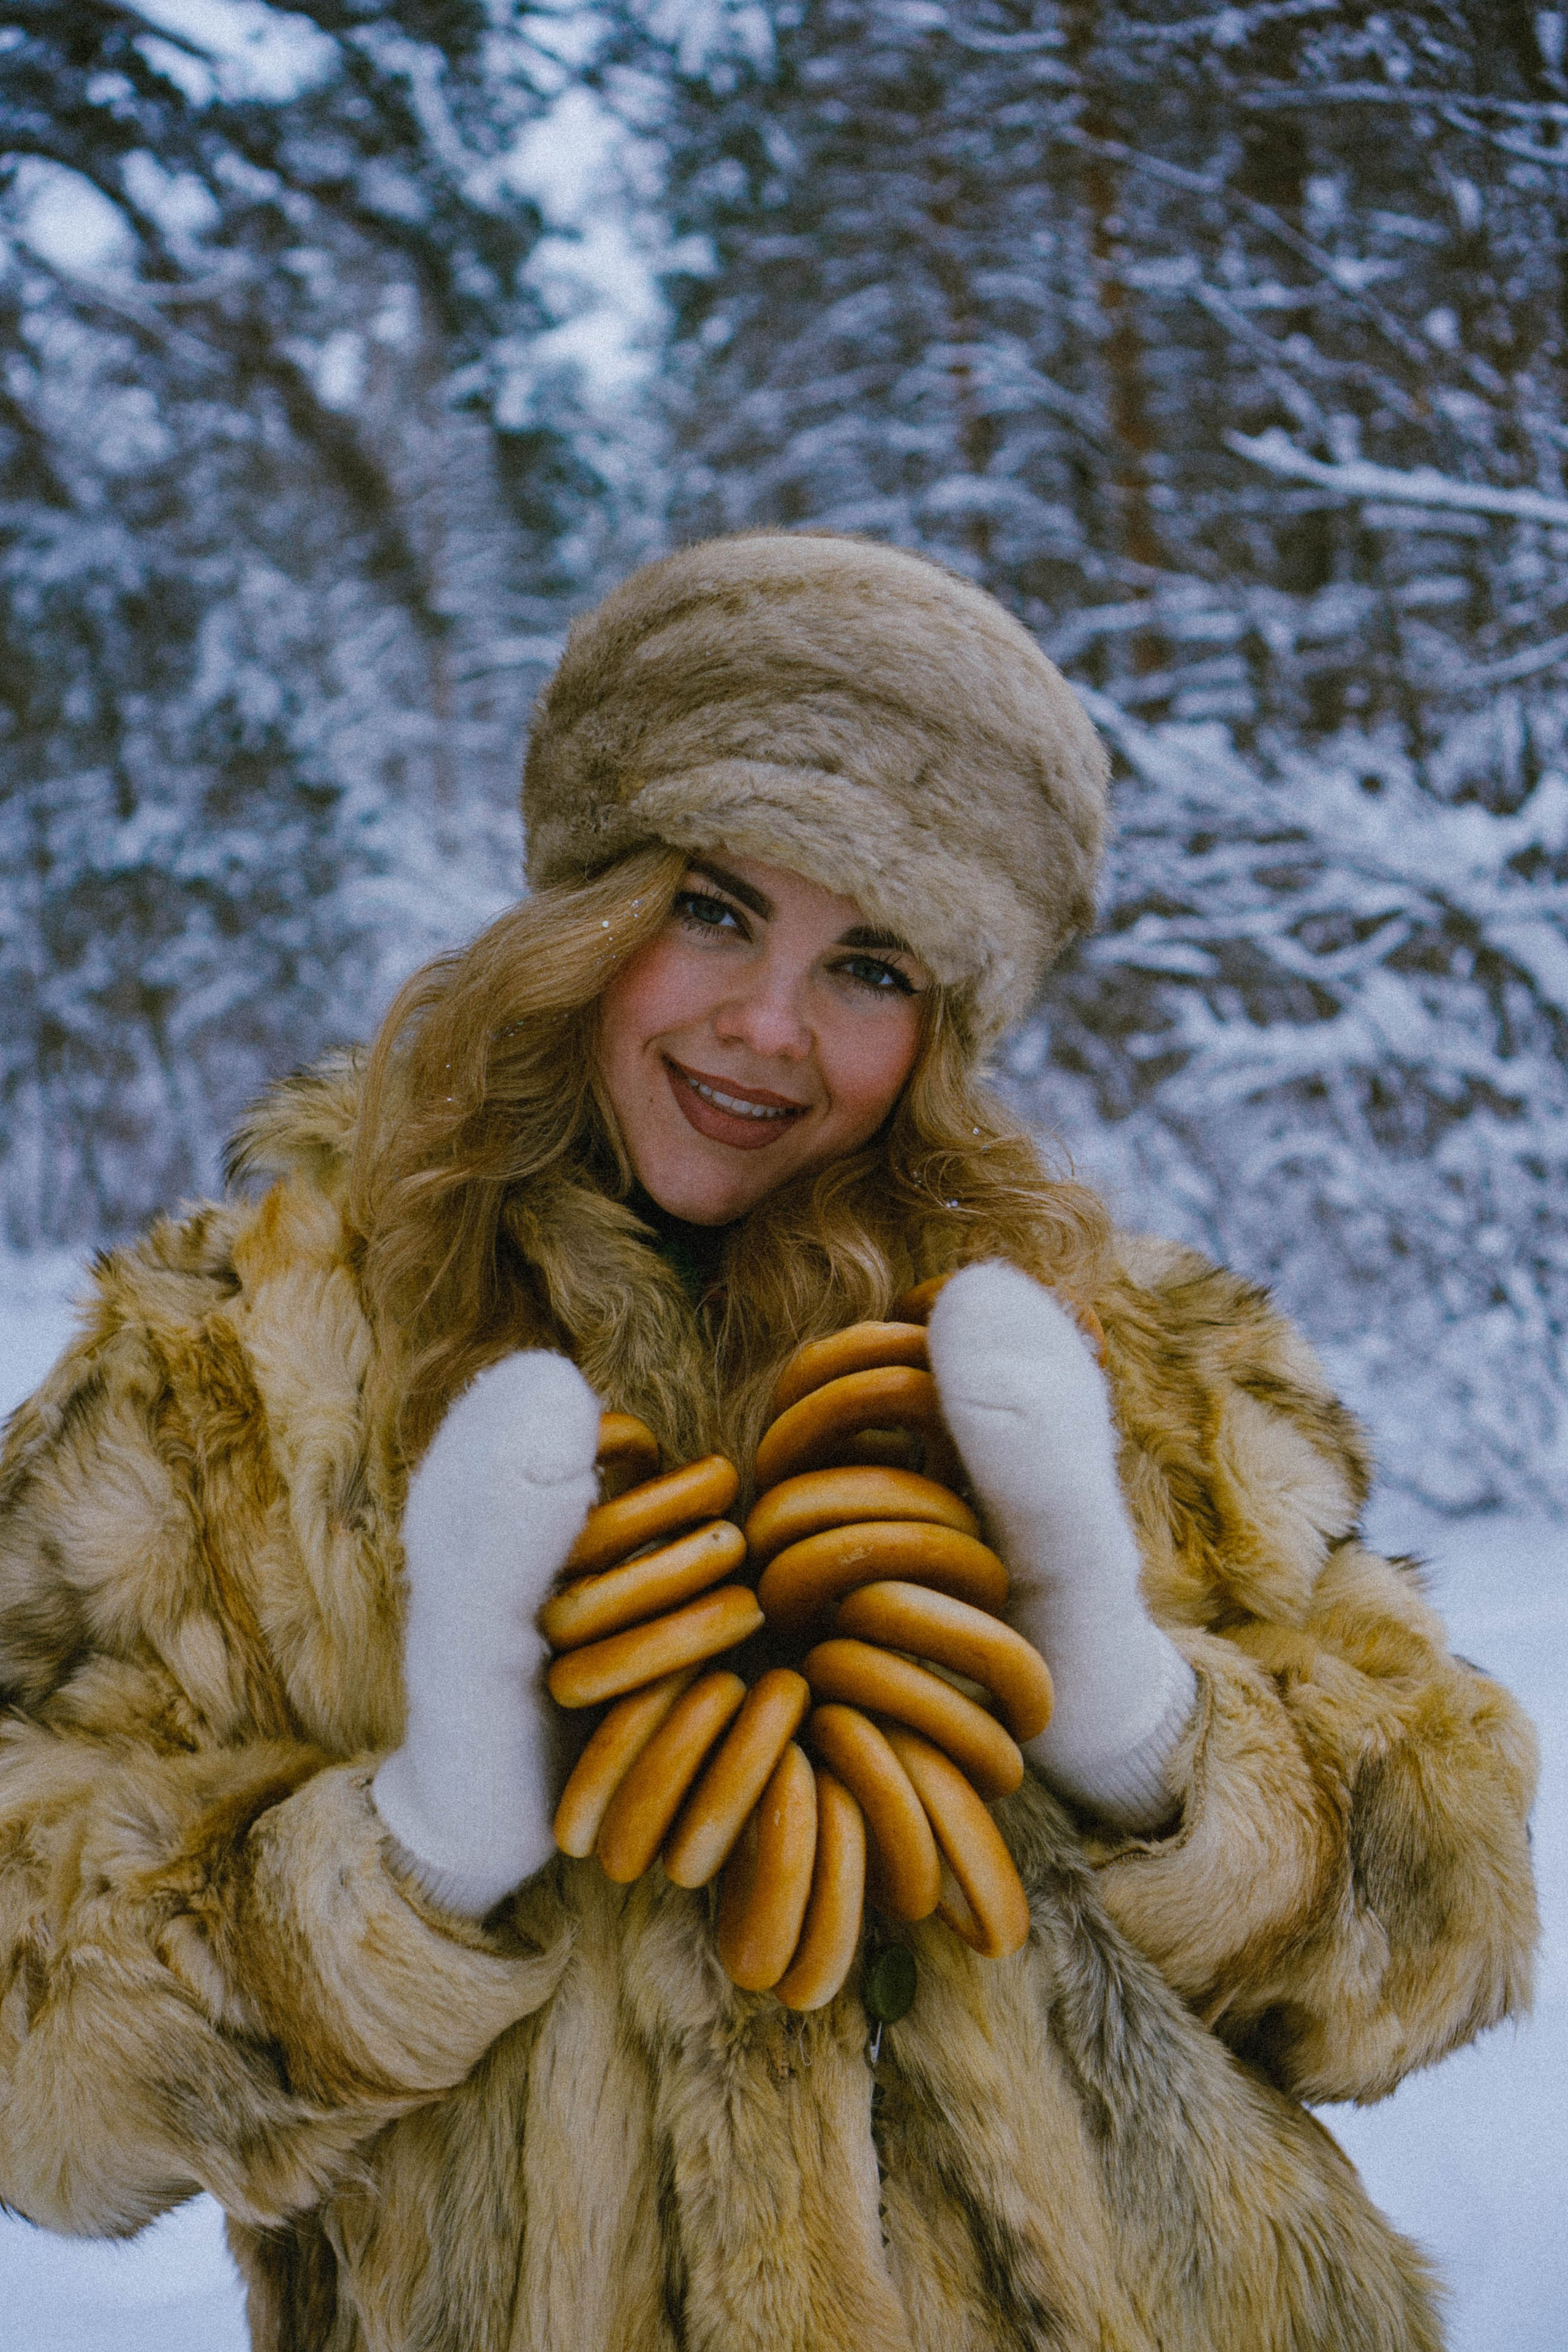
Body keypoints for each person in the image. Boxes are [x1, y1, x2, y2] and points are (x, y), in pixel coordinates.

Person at [0, 535, 1537, 2352]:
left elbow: (1446, 1936)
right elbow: (40, 2082)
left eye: (870, 964)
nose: (765, 1027)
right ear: (587, 904)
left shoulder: (1111, 1356)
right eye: (715, 908)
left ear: (949, 1027)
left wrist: (1144, 1717)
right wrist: (410, 1855)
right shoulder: (234, 1374)